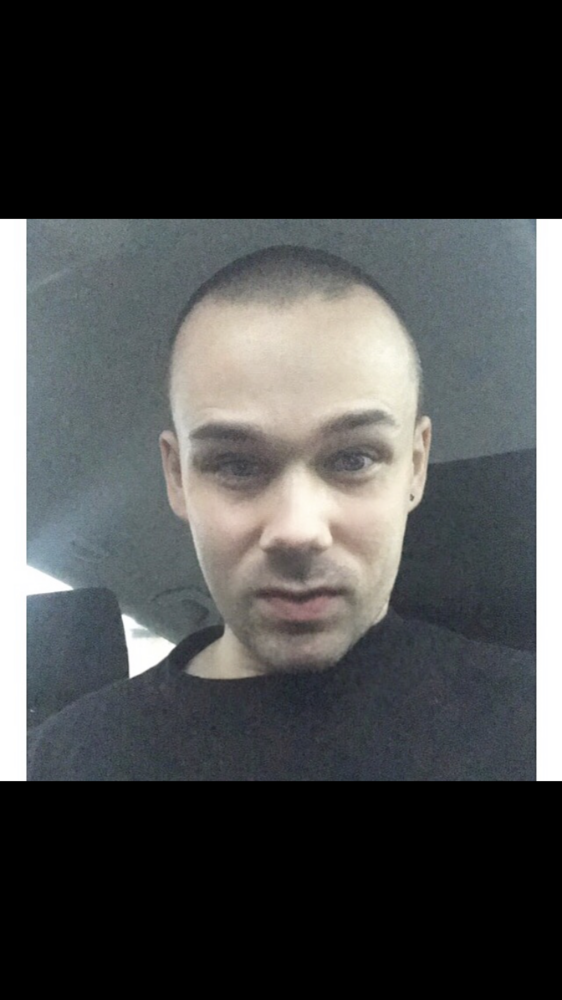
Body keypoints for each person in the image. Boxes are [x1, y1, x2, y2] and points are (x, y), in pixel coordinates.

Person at [27, 245, 535, 781]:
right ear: (177, 477)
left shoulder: (530, 722)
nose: (298, 530)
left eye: (353, 459)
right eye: (237, 465)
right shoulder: (67, 759)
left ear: (414, 466)